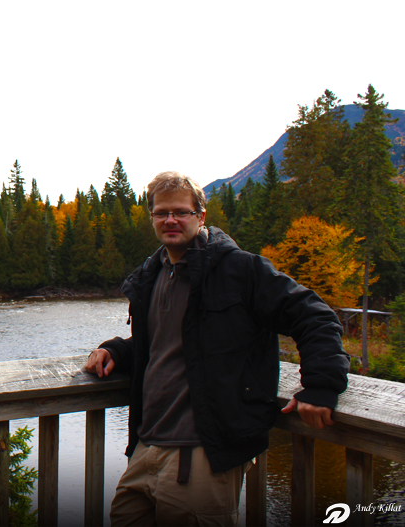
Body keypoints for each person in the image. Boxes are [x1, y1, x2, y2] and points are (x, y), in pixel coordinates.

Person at [84, 171, 348, 526]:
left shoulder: (240, 270)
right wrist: (117, 351)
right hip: (146, 447)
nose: (171, 220)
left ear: (201, 216)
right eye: (162, 213)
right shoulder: (152, 274)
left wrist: (321, 385)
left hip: (203, 454)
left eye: (182, 212)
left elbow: (315, 317)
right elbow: (170, 342)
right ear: (152, 218)